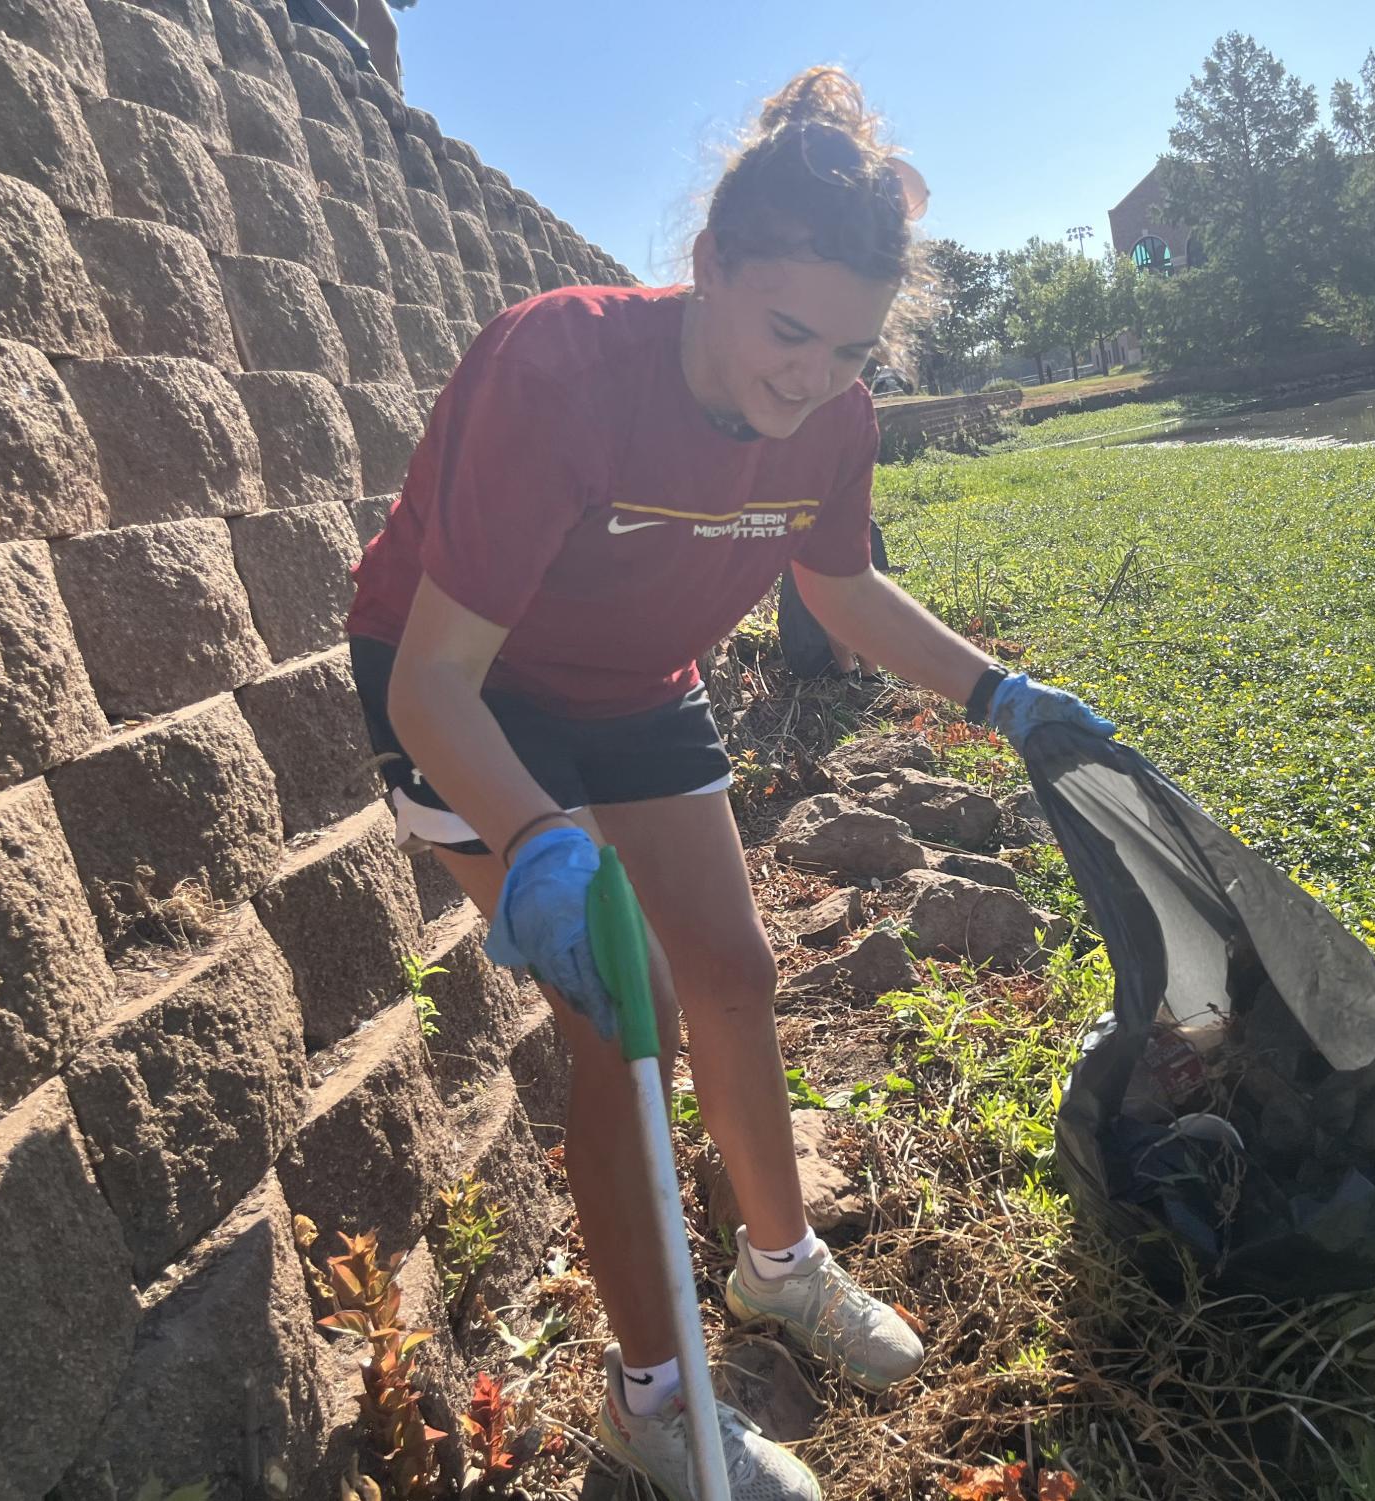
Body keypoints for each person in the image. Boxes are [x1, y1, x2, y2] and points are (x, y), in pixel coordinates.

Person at [344, 67, 1112, 1501]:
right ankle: (654, 1404)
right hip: (465, 679)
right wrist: (537, 844)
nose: (810, 375)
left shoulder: (833, 420)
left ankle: (780, 1266)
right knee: (618, 1012)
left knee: (737, 972)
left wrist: (998, 696)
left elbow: (842, 583)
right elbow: (427, 683)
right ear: (709, 268)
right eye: (786, 330)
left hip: (637, 682)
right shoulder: (560, 368)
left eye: (849, 346)